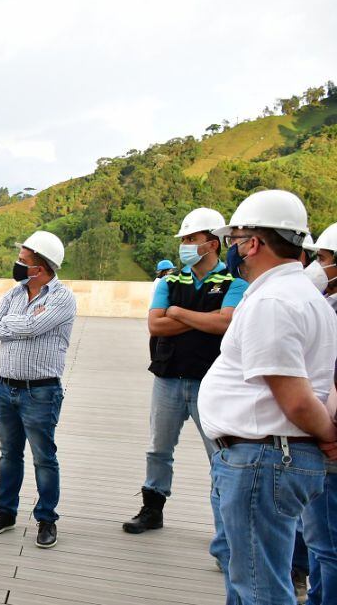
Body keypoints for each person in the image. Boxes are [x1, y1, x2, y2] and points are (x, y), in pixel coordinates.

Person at [198, 189, 337, 604]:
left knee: (260, 587)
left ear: (252, 243)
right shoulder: (300, 294)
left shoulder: (274, 301)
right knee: (247, 581)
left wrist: (328, 435)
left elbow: (294, 398)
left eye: (233, 241)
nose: (231, 251)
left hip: (262, 460)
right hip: (265, 457)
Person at [122, 208, 247, 536]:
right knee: (158, 448)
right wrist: (202, 318)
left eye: (192, 239)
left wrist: (177, 313)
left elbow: (226, 322)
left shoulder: (233, 282)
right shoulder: (171, 280)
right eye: (184, 240)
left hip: (212, 383)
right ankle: (152, 509)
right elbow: (155, 324)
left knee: (219, 456)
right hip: (168, 378)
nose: (186, 245)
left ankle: (225, 530)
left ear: (212, 244)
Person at [0, 230, 76, 549]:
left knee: (43, 457)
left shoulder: (62, 297)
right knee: (9, 454)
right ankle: (5, 512)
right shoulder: (13, 294)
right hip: (4, 388)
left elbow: (34, 326)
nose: (18, 265)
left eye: (24, 261)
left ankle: (46, 518)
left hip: (41, 392)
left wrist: (14, 325)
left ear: (41, 266)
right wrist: (21, 323)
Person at [301, 222, 337, 605]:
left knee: (326, 544)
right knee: (320, 541)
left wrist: (326, 433)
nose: (317, 266)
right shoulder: (326, 303)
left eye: (324, 259)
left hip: (328, 439)